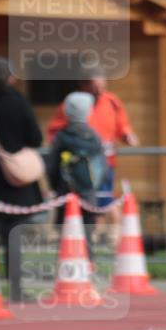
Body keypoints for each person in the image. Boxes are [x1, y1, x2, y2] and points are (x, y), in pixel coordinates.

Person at [0, 57, 44, 301]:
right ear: (11, 78)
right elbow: (36, 138)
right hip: (16, 182)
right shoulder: (19, 102)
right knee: (14, 235)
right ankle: (17, 289)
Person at [47, 66, 138, 210]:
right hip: (78, 166)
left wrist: (127, 135)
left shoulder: (112, 101)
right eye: (95, 87)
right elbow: (55, 132)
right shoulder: (72, 103)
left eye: (102, 86)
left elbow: (122, 125)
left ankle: (106, 231)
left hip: (105, 164)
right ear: (83, 84)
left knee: (105, 203)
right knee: (81, 206)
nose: (99, 91)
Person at [46, 92, 109, 249]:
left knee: (64, 235)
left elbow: (52, 166)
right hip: (88, 193)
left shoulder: (61, 137)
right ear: (88, 111)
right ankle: (88, 264)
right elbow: (103, 166)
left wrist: (56, 187)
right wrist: (94, 185)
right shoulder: (94, 137)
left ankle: (66, 267)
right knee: (87, 233)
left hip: (65, 193)